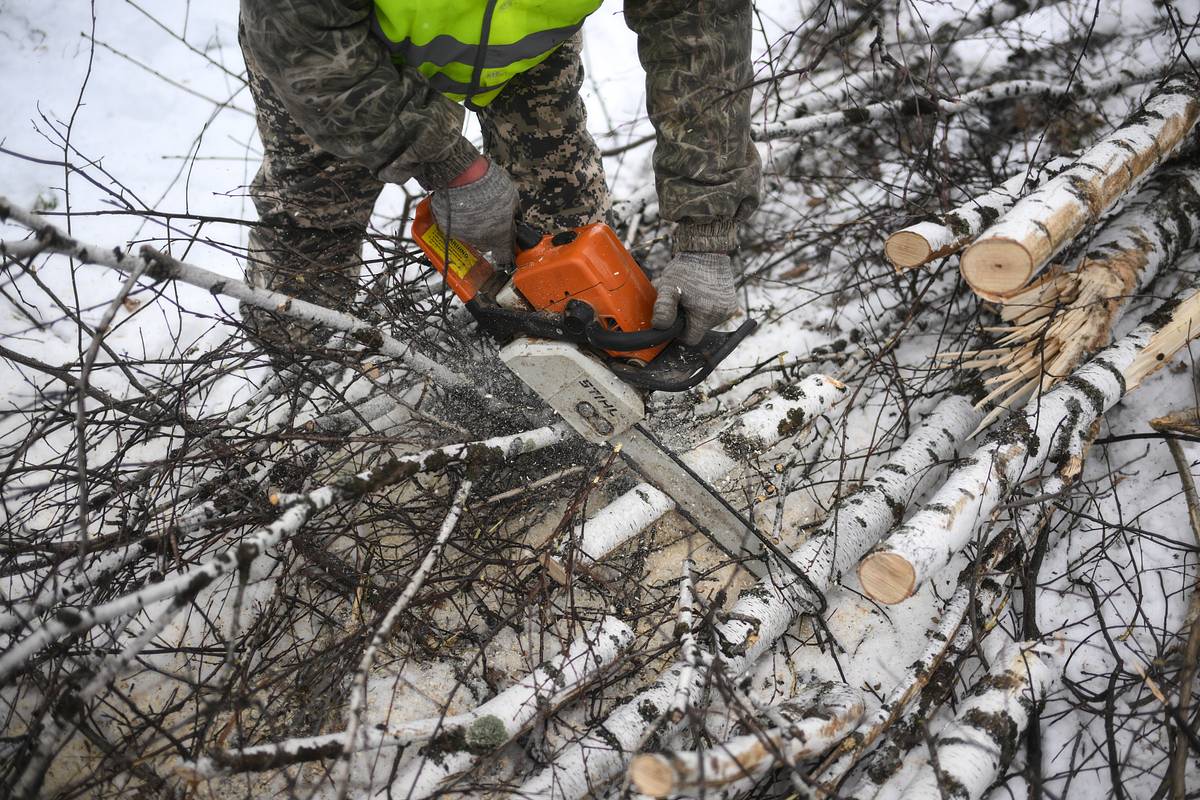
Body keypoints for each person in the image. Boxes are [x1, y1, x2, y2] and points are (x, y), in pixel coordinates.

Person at [237, 0, 761, 357]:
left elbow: (699, 35)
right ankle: (296, 381)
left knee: (566, 232)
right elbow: (301, 36)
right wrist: (445, 162)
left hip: (523, 49)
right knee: (313, 223)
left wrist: (706, 231)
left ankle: (566, 382)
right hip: (344, 56)